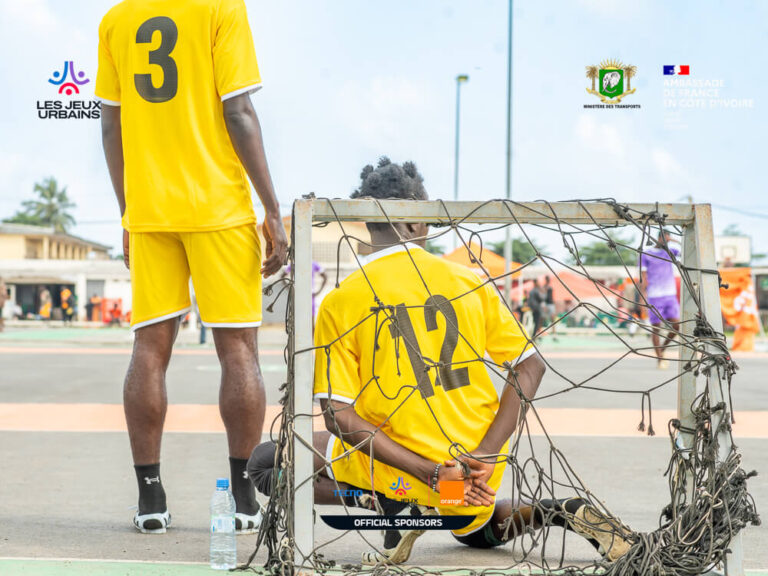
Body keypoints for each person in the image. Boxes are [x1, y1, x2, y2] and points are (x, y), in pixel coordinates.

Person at [248, 158, 632, 564]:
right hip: (473, 476)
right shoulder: (468, 281)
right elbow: (530, 366)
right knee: (473, 525)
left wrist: (430, 471)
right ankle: (554, 511)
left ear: (365, 222)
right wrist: (485, 453)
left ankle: (382, 503)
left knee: (264, 463)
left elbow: (337, 416)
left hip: (410, 474)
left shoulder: (342, 299)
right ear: (417, 223)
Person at [96, 0, 288, 534]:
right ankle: (244, 499)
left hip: (152, 209)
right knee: (238, 349)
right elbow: (238, 111)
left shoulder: (117, 20)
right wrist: (273, 210)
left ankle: (149, 499)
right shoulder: (221, 8)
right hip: (217, 208)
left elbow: (111, 126)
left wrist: (128, 213)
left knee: (149, 348)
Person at [640, 230, 681, 370]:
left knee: (677, 326)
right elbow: (643, 277)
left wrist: (674, 241)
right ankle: (659, 358)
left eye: (668, 240)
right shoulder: (646, 254)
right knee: (656, 328)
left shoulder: (670, 252)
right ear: (658, 238)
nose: (666, 242)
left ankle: (662, 349)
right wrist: (642, 298)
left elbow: (688, 252)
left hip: (670, 294)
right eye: (665, 239)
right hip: (655, 295)